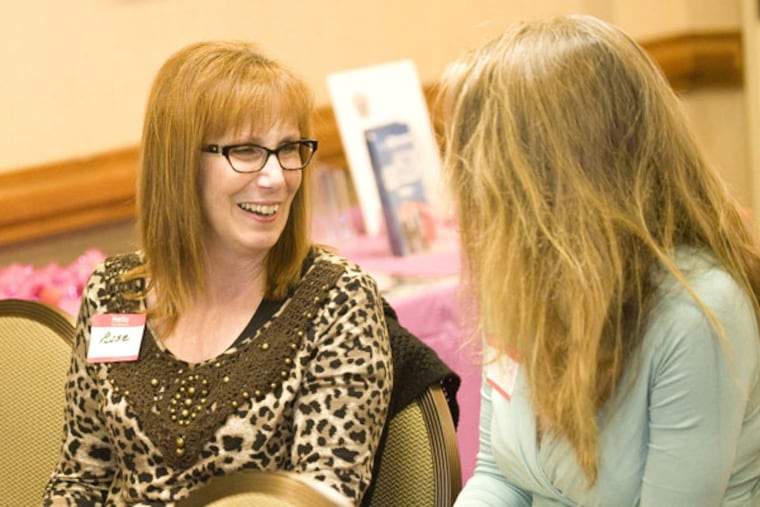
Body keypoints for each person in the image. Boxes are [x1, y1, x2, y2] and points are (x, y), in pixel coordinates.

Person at [43, 40, 394, 506]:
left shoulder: (335, 299)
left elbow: (322, 497)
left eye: (288, 148)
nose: (275, 177)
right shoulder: (113, 294)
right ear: (180, 164)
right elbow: (81, 478)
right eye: (246, 151)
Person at [440, 14, 760, 506]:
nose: (464, 186)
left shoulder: (697, 313)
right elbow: (499, 477)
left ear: (552, 180)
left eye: (477, 161)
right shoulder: (523, 282)